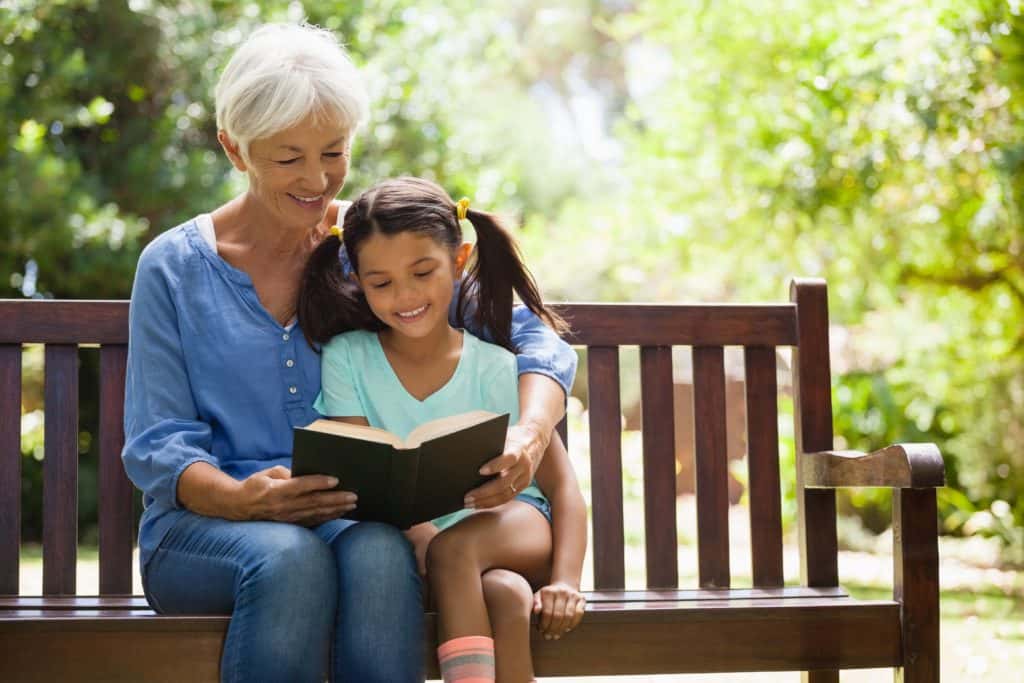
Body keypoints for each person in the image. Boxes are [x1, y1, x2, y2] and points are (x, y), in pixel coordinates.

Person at [121, 23, 577, 683]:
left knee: (380, 553)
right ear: (234, 148)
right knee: (288, 558)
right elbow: (160, 443)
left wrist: (531, 435)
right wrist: (241, 498)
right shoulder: (172, 267)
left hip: (345, 520)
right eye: (288, 158)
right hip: (204, 532)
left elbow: (533, 338)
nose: (316, 179)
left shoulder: (371, 250)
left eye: (333, 151)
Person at [297, 176, 588, 683]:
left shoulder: (497, 367)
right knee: (504, 593)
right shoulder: (347, 358)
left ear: (457, 261)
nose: (404, 296)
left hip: (516, 528)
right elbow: (367, 478)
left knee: (456, 552)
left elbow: (561, 487)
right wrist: (422, 538)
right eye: (381, 283)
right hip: (422, 545)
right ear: (359, 282)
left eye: (422, 272)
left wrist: (566, 580)